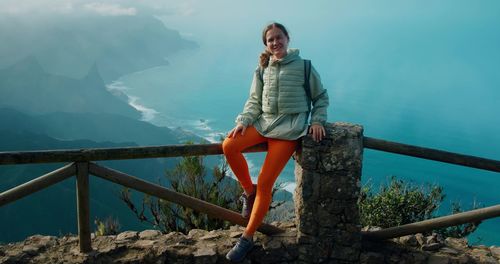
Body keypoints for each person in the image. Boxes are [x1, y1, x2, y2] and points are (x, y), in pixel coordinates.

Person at [222, 22, 329, 262]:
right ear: (266, 45)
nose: (275, 43)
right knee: (229, 145)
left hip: (289, 130)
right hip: (263, 123)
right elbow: (254, 101)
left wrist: (318, 120)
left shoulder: (304, 67)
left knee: (266, 183)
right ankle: (248, 193)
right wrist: (244, 120)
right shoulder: (262, 68)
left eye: (278, 38)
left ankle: (247, 238)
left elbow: (320, 97)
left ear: (287, 38)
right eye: (270, 40)